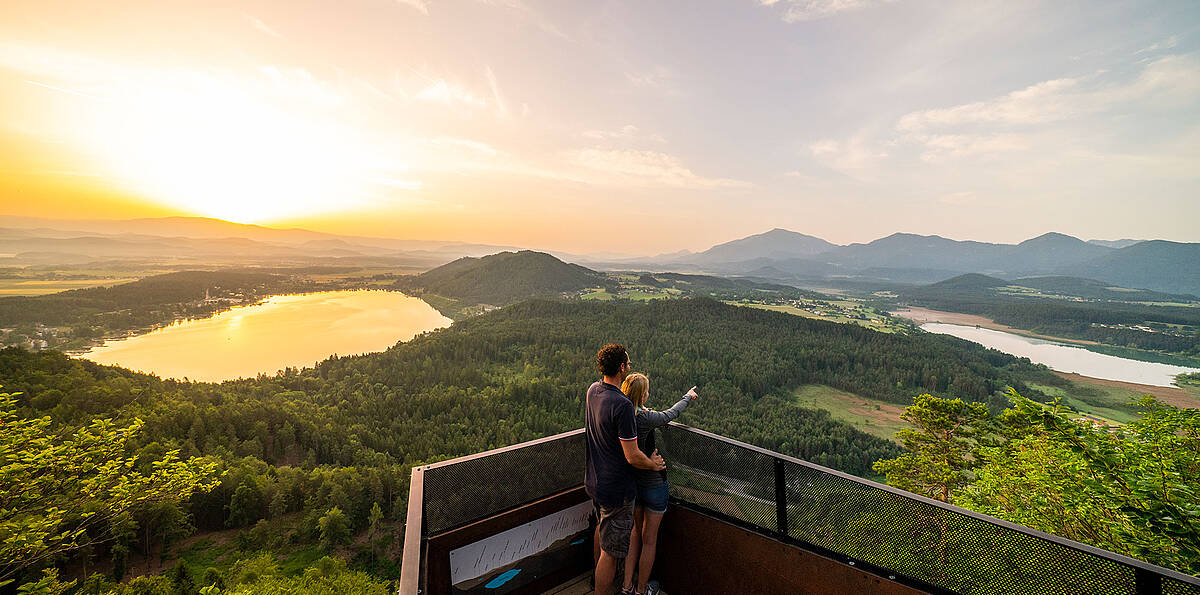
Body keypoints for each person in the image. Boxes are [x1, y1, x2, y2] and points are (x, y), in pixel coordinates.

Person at [585, 344, 666, 595]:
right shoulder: (622, 405)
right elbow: (632, 456)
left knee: (601, 530)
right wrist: (653, 464)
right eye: (628, 364)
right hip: (617, 488)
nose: (629, 366)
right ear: (621, 367)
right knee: (611, 553)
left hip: (594, 480)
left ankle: (596, 581)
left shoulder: (593, 391)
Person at [619, 374, 698, 595]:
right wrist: (688, 396)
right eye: (646, 390)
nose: (648, 393)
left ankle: (626, 586)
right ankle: (642, 590)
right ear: (641, 394)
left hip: (634, 485)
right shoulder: (645, 418)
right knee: (649, 540)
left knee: (635, 533)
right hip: (653, 485)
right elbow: (670, 414)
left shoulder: (622, 416)